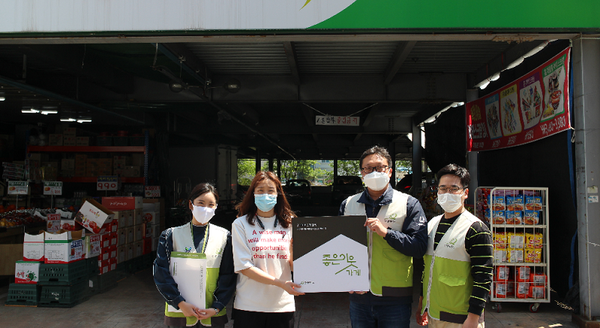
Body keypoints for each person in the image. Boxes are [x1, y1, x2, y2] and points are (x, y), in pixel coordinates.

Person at [338, 145, 428, 328]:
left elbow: (419, 247)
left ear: (390, 171)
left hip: (395, 297)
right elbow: (339, 248)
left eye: (379, 167)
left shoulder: (409, 204)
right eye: (368, 168)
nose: (374, 172)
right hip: (359, 296)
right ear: (362, 173)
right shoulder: (348, 205)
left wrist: (387, 233)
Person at [416, 164, 493, 328]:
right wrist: (422, 304)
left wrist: (473, 319)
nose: (447, 194)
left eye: (454, 189)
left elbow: (483, 278)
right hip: (434, 314)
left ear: (465, 193)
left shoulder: (475, 229)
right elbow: (427, 270)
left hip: (461, 319)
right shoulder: (432, 224)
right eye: (443, 189)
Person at [154, 183, 236, 328]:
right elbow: (161, 273)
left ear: (216, 208)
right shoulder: (170, 236)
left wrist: (217, 306)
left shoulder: (224, 237)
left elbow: (228, 276)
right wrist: (179, 302)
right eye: (201, 203)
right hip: (179, 313)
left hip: (211, 313)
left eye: (211, 204)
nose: (206, 208)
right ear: (191, 205)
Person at [231, 171, 304, 328]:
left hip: (282, 305)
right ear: (253, 194)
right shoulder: (241, 224)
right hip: (248, 305)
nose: (265, 195)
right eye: (260, 190)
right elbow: (244, 266)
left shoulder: (290, 224)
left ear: (278, 193)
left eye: (270, 190)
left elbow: (296, 265)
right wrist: (279, 283)